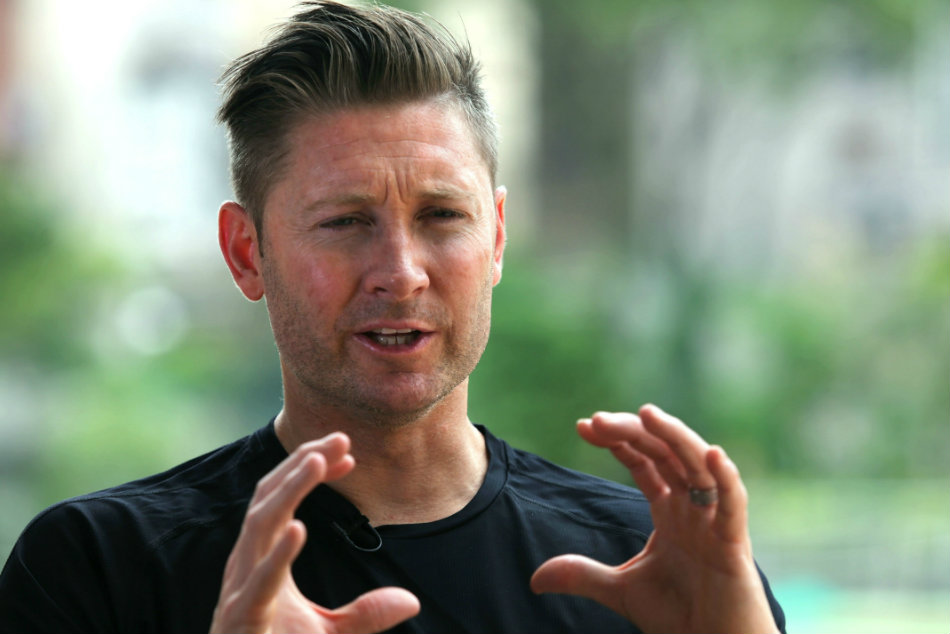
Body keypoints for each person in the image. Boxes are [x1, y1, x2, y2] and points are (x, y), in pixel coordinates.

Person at [0, 2, 786, 633]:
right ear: (247, 253)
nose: (401, 271)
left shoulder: (648, 562)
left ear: (497, 238)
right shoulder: (99, 568)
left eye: (442, 215)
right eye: (345, 222)